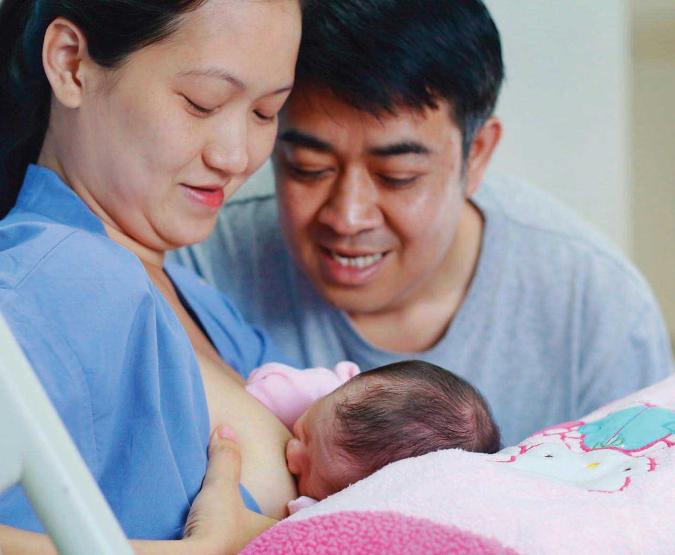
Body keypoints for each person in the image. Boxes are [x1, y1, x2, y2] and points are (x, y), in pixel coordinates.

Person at [171, 0, 674, 447]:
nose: (348, 216)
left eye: (398, 176)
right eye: (308, 168)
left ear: (476, 155)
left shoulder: (594, 308)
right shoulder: (201, 254)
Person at [0, 0, 301, 553]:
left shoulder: (203, 304)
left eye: (266, 112)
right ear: (70, 64)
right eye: (201, 103)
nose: (236, 156)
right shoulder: (57, 279)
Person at [245, 359, 501, 513]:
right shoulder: (325, 390)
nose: (292, 454)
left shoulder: (336, 510)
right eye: (306, 434)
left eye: (311, 470)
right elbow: (262, 381)